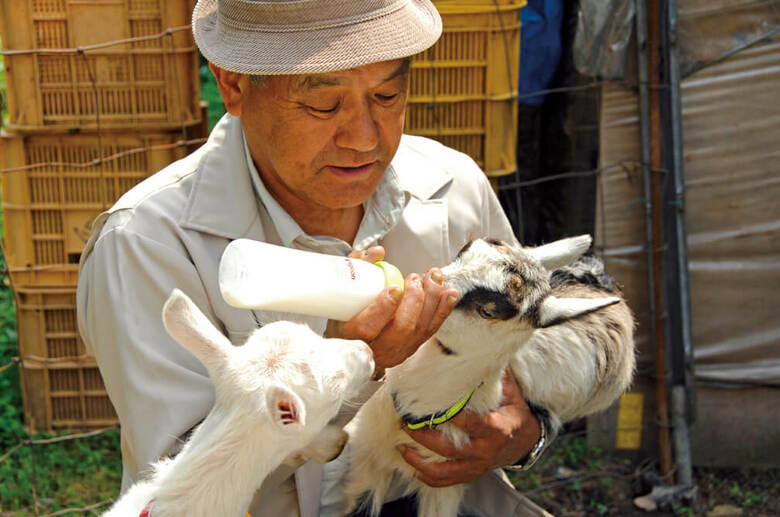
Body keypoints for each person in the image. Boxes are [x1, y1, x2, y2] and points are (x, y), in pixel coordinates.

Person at [76, 1, 552, 515]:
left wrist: (527, 436)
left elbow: (529, 372)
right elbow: (184, 492)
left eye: (387, 95)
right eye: (324, 106)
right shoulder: (150, 243)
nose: (365, 138)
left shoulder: (453, 187)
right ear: (233, 84)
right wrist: (340, 370)